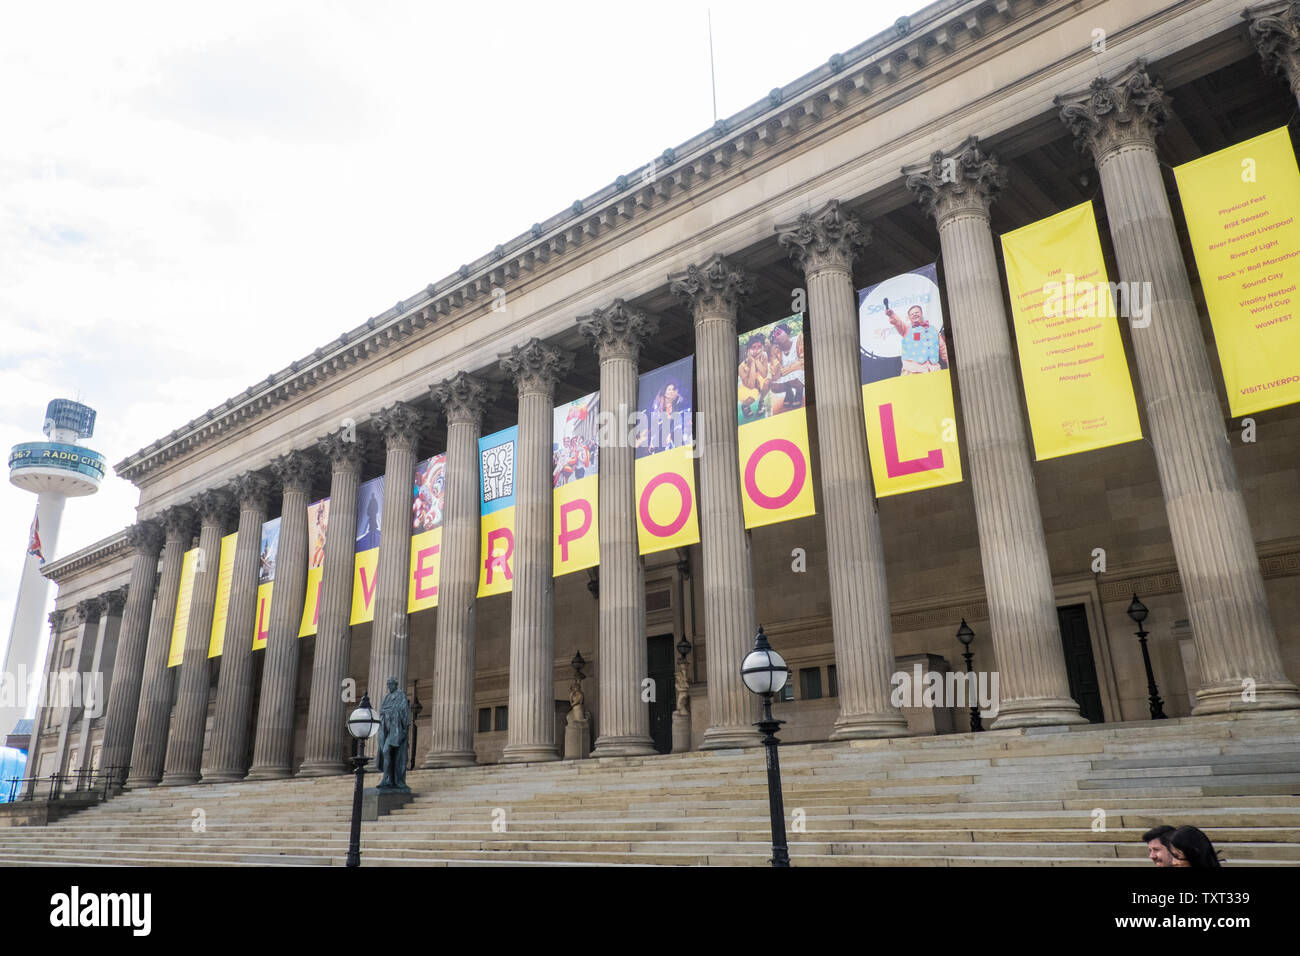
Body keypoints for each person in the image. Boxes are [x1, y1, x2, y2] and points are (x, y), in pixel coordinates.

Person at [886, 300, 948, 375]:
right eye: (912, 314)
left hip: (933, 370)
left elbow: (943, 349)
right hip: (912, 371)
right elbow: (898, 323)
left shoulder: (933, 330)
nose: (914, 314)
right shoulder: (906, 329)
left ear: (922, 314)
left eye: (917, 312)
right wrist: (892, 315)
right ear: (909, 317)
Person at [768, 323, 805, 411]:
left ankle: (799, 392)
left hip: (800, 372)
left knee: (796, 374)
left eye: (778, 333)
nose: (776, 337)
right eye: (774, 337)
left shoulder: (799, 339)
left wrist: (783, 371)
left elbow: (803, 361)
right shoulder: (776, 350)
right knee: (773, 385)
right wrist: (773, 355)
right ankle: (789, 392)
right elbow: (775, 375)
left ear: (787, 332)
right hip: (786, 375)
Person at [738, 332, 772, 422]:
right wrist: (752, 363)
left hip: (759, 381)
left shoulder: (764, 355)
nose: (756, 350)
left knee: (768, 382)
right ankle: (745, 405)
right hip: (747, 388)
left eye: (759, 347)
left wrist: (756, 360)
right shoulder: (741, 367)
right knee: (753, 395)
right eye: (753, 347)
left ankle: (761, 402)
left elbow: (764, 374)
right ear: (748, 349)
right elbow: (751, 385)